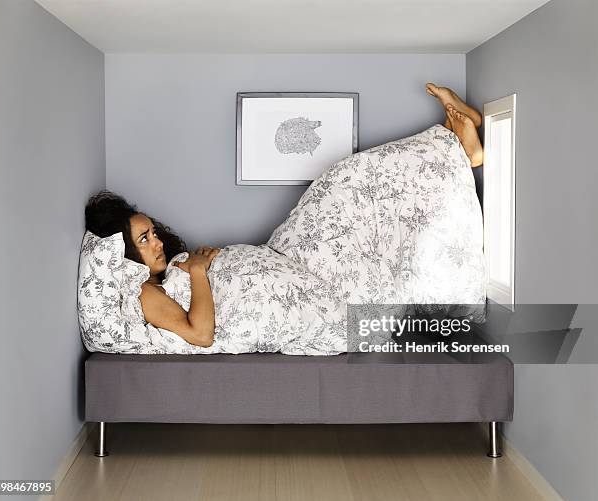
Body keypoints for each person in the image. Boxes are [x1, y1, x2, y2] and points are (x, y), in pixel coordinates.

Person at [84, 83, 484, 350]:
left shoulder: (159, 277)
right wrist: (201, 272)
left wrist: (194, 265)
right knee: (370, 234)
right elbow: (200, 334)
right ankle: (459, 150)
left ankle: (453, 141)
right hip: (312, 293)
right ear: (124, 254)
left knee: (342, 186)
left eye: (151, 232)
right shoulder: (142, 295)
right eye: (144, 240)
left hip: (287, 257)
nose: (156, 242)